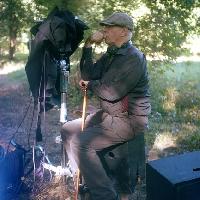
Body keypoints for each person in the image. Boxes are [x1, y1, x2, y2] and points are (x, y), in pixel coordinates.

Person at [61, 12, 151, 200]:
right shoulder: (112, 54)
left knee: (80, 143)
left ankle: (105, 195)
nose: (104, 30)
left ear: (124, 31)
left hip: (129, 120)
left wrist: (90, 85)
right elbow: (88, 73)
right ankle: (84, 178)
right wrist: (88, 45)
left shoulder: (134, 58)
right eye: (105, 27)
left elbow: (112, 93)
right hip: (110, 114)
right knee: (68, 129)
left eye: (110, 27)